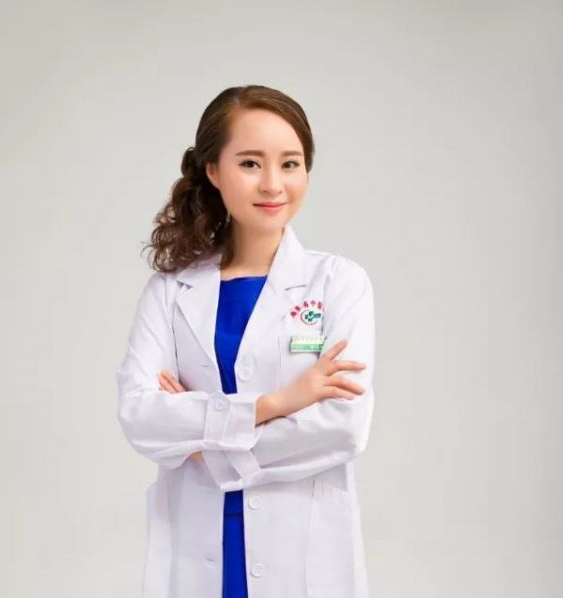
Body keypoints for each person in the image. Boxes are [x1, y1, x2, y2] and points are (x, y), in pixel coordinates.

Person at [116, 84, 376, 598]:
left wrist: (203, 446)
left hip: (301, 551)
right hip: (196, 542)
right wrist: (276, 404)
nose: (273, 184)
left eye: (290, 164)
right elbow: (140, 415)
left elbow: (341, 427)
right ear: (214, 171)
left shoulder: (338, 283)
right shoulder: (171, 290)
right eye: (251, 163)